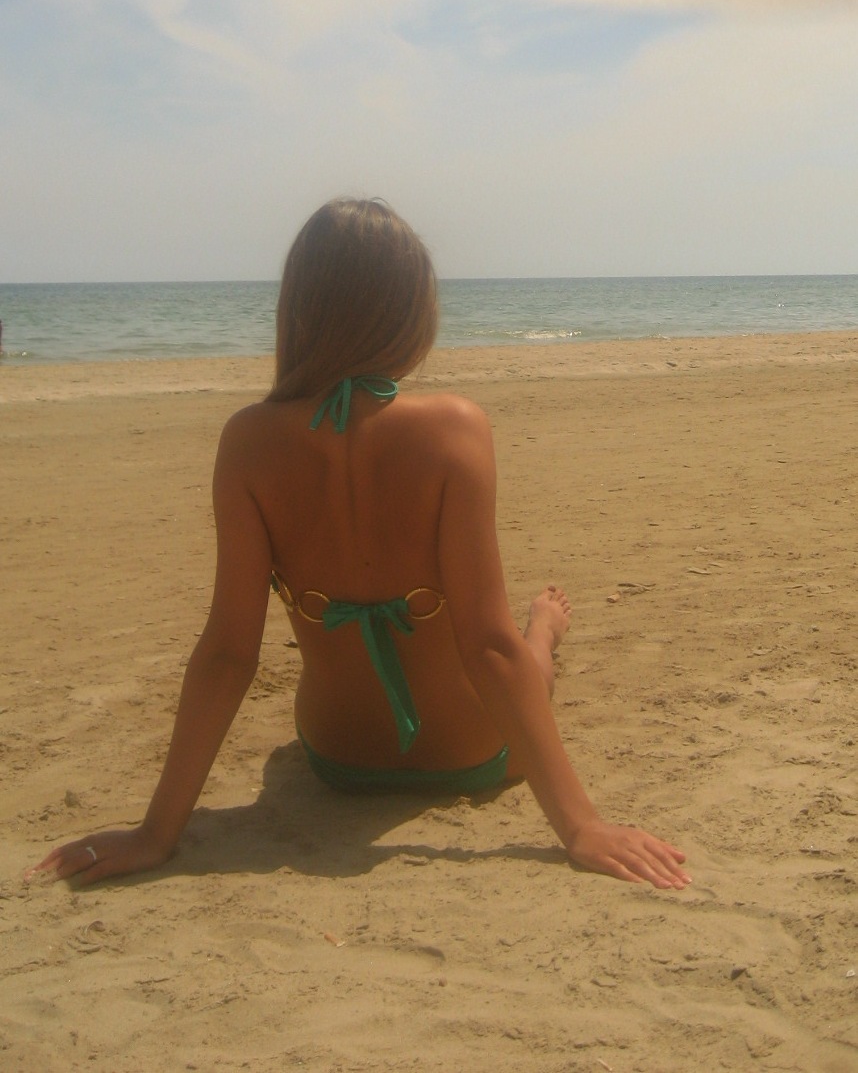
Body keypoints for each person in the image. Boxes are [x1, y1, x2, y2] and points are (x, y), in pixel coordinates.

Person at [30, 198, 690, 889]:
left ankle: (542, 628)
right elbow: (488, 649)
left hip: (338, 760)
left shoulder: (248, 441)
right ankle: (545, 629)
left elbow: (228, 653)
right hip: (475, 754)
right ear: (408, 315)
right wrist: (581, 827)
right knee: (527, 658)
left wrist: (156, 833)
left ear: (298, 309)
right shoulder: (455, 429)